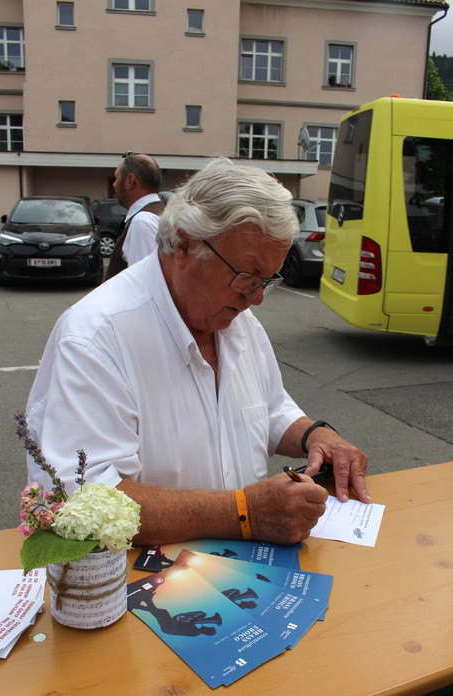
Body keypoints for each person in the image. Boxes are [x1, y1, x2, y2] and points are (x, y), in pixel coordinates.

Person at [25, 157, 371, 548]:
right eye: (246, 276)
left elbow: (269, 409)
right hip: (144, 587)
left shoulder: (233, 319)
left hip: (243, 574)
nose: (256, 298)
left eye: (267, 280)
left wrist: (317, 436)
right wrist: (245, 513)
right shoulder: (97, 335)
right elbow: (87, 499)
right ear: (184, 245)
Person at [104, 152, 164, 280]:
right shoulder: (157, 213)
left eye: (116, 178)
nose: (114, 184)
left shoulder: (143, 222)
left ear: (130, 181)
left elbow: (144, 284)